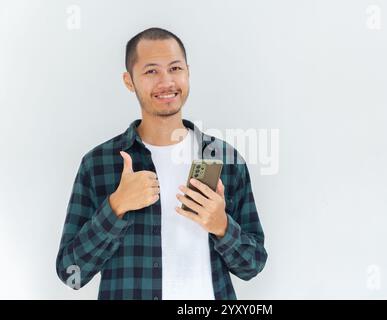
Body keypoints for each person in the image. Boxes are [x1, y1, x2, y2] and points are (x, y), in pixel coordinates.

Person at [56, 27, 267, 300]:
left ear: (188, 72)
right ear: (129, 81)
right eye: (151, 71)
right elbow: (71, 273)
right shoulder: (98, 164)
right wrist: (116, 207)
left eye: (175, 68)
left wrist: (221, 226)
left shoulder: (224, 158)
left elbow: (253, 265)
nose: (166, 81)